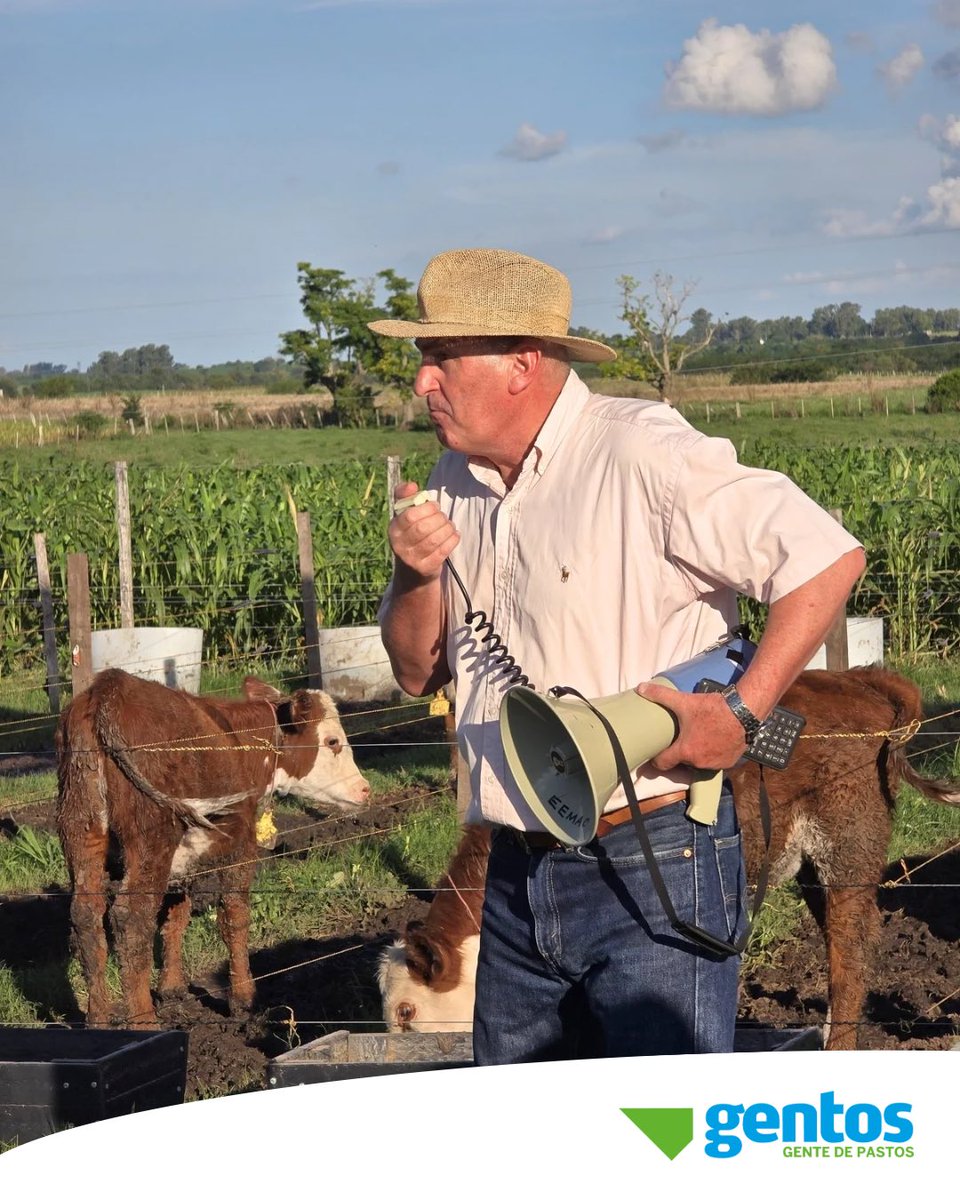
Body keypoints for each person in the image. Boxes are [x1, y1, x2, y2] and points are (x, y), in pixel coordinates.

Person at [370, 248, 865, 1064]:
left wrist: (742, 711)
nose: (422, 382)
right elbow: (418, 672)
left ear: (522, 364)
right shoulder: (449, 478)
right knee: (530, 1148)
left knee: (657, 1137)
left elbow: (824, 557)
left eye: (440, 358)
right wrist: (414, 572)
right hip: (515, 872)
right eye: (424, 359)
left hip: (653, 854)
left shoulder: (641, 452)